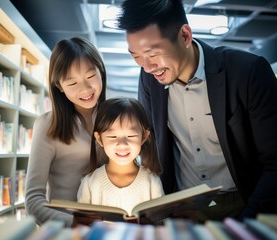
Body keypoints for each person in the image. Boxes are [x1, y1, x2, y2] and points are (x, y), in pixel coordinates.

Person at [117, 0, 277, 222]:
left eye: (152, 54)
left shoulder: (248, 72)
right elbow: (151, 143)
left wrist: (248, 224)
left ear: (185, 36)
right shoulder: (149, 79)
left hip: (243, 203)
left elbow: (274, 162)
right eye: (136, 56)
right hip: (183, 209)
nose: (147, 66)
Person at [25, 37, 107, 226]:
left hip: (109, 228)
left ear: (101, 71)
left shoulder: (115, 117)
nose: (85, 89)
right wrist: (77, 223)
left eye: (90, 76)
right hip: (67, 230)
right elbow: (33, 201)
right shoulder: (47, 125)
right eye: (72, 83)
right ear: (59, 87)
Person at [77, 97, 164, 218]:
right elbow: (82, 226)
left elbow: (160, 225)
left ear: (144, 137)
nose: (122, 144)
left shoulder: (151, 181)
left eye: (131, 135)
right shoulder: (90, 183)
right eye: (113, 137)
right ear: (99, 139)